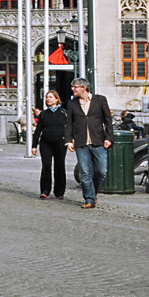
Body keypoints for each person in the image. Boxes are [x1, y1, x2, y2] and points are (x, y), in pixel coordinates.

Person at [68, 76, 114, 208]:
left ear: (84, 88)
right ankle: (89, 199)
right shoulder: (72, 103)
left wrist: (109, 138)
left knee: (102, 171)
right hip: (81, 142)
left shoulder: (100, 100)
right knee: (85, 172)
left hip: (98, 141)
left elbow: (108, 121)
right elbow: (69, 124)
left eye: (75, 87)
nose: (73, 89)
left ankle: (93, 193)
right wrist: (69, 140)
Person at [32, 89, 70, 200]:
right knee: (46, 166)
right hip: (46, 143)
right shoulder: (44, 114)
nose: (48, 99)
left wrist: (70, 140)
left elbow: (69, 128)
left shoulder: (64, 113)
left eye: (51, 97)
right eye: (47, 97)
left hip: (60, 143)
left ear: (57, 99)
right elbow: (38, 130)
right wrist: (34, 145)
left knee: (59, 166)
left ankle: (59, 192)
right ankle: (45, 190)